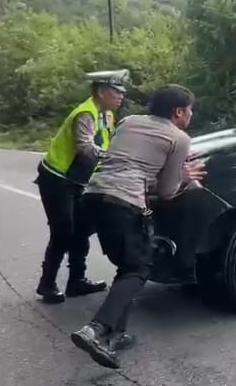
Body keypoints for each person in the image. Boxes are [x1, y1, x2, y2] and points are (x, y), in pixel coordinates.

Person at [70, 84, 206, 369]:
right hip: (124, 203)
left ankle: (115, 336)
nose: (191, 115)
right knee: (137, 268)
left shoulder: (129, 121)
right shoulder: (178, 138)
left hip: (93, 196)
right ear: (179, 112)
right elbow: (168, 192)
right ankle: (95, 330)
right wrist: (183, 175)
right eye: (190, 109)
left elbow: (130, 164)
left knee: (127, 267)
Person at [34, 70, 127, 304]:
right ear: (101, 92)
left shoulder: (106, 114)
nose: (121, 97)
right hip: (58, 179)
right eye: (116, 92)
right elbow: (85, 148)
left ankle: (77, 281)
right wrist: (112, 157)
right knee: (63, 231)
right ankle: (47, 284)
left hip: (79, 180)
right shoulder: (86, 113)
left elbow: (109, 140)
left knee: (82, 229)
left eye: (122, 93)